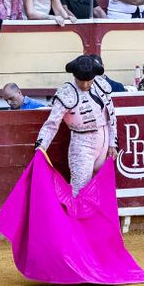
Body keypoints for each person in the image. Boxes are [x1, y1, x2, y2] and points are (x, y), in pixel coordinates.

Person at [33, 54, 119, 197]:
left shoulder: (101, 85)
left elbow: (111, 116)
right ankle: (76, 219)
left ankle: (95, 220)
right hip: (82, 145)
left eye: (89, 81)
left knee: (102, 191)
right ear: (74, 76)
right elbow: (52, 124)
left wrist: (112, 143)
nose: (85, 85)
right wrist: (41, 147)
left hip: (105, 145)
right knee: (79, 190)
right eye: (81, 81)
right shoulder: (67, 93)